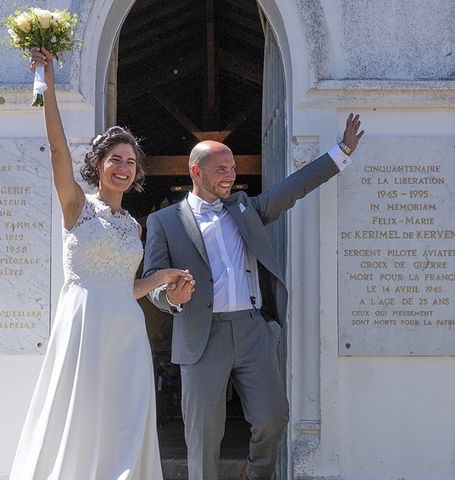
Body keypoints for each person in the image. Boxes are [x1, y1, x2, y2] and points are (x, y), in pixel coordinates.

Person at [142, 114, 364, 480]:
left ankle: (256, 474)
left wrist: (341, 152)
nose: (230, 174)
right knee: (203, 437)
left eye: (232, 167)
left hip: (252, 331)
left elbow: (293, 188)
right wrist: (172, 297)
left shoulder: (246, 208)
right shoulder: (164, 221)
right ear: (196, 172)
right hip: (202, 336)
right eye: (221, 168)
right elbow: (153, 280)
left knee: (273, 417)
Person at [9, 47, 194, 480]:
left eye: (131, 162)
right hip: (85, 325)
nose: (124, 168)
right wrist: (48, 88)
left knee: (125, 420)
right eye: (116, 159)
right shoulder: (77, 207)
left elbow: (124, 286)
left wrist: (162, 279)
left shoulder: (133, 226)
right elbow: (56, 152)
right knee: (82, 417)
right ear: (98, 164)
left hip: (126, 330)